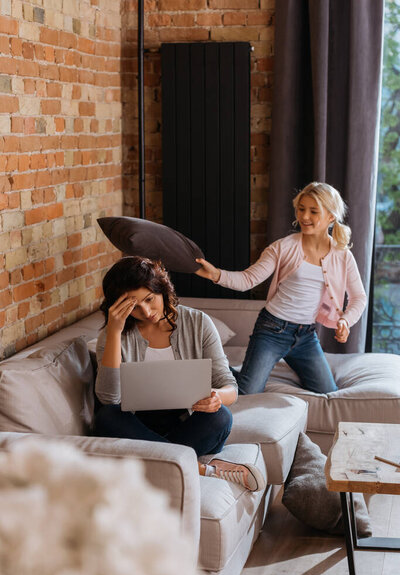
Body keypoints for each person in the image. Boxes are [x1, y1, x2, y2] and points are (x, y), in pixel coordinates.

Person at [94, 256, 265, 492]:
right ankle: (201, 469)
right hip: (133, 427)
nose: (145, 311)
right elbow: (109, 398)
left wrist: (217, 396)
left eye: (149, 299)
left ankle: (157, 460)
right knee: (106, 417)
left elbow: (229, 386)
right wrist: (114, 332)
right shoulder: (113, 334)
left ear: (162, 290)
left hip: (184, 424)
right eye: (133, 307)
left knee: (221, 417)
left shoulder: (198, 322)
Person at [195, 181, 367, 395]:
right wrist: (215, 274)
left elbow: (359, 297)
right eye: (301, 209)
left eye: (313, 211)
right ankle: (214, 366)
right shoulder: (283, 247)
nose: (304, 217)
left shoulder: (342, 255)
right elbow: (248, 279)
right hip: (272, 330)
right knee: (248, 391)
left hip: (306, 335)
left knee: (327, 391)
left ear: (331, 216)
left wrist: (345, 320)